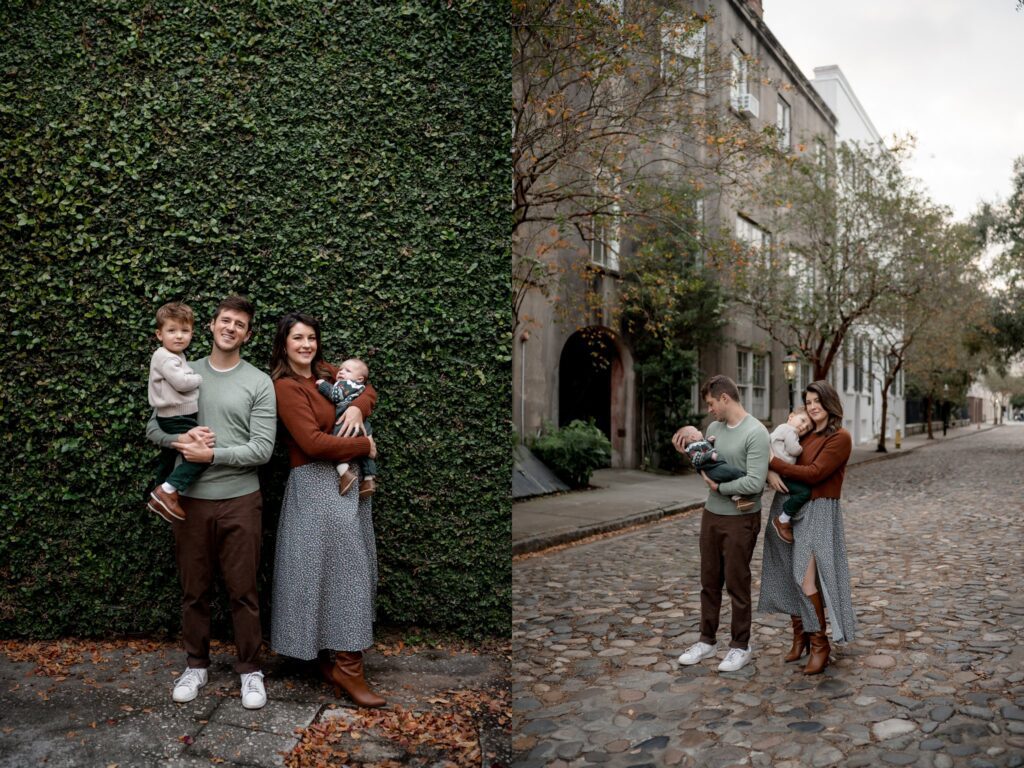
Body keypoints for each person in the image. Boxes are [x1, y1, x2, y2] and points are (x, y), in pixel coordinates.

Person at [145, 295, 277, 708]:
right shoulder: (184, 369)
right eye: (225, 320)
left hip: (241, 500)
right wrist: (179, 440)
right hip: (190, 502)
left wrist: (212, 455)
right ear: (212, 326)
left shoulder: (258, 382)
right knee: (194, 590)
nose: (230, 328)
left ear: (247, 334)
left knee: (243, 591)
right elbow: (154, 425)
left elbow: (263, 449)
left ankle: (250, 671)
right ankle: (196, 664)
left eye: (239, 324)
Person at [269, 312, 386, 708]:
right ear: (284, 343)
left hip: (347, 484)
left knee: (340, 568)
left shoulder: (327, 372)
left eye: (312, 337)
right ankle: (342, 665)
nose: (306, 344)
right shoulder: (285, 387)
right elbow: (313, 442)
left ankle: (338, 662)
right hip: (316, 484)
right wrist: (362, 446)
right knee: (334, 570)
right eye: (298, 338)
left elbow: (365, 389)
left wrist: (358, 410)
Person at [672, 375, 770, 673]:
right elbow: (706, 464)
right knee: (709, 580)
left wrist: (719, 488)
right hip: (711, 515)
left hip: (741, 518)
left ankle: (741, 646)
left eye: (712, 403)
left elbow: (755, 481)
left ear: (725, 398)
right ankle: (707, 639)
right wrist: (688, 452)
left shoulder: (756, 432)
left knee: (737, 582)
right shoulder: (713, 429)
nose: (710, 410)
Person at [758, 380, 856, 675]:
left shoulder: (839, 438)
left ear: (830, 403)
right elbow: (787, 458)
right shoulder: (804, 433)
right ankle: (799, 636)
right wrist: (769, 472)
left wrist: (771, 462)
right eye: (808, 401)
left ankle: (819, 643)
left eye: (817, 401)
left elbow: (814, 474)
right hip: (786, 505)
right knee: (787, 573)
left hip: (817, 509)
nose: (812, 406)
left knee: (804, 577)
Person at [147, 301, 207, 523]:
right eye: (172, 331)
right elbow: (182, 383)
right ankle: (168, 490)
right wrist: (198, 378)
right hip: (176, 416)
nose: (179, 336)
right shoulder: (165, 356)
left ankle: (159, 491)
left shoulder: (175, 355)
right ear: (159, 334)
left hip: (175, 415)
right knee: (201, 454)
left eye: (185, 331)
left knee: (169, 455)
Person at [316, 357, 378, 498]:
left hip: (345, 422)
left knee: (339, 445)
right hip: (363, 424)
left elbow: (336, 395)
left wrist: (323, 385)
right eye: (341, 369)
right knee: (366, 452)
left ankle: (345, 473)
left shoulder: (347, 385)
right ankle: (369, 480)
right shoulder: (360, 387)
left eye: (348, 370)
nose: (341, 372)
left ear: (360, 378)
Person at [674, 425, 756, 512]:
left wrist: (710, 441)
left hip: (716, 466)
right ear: (693, 437)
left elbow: (706, 446)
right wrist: (710, 455)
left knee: (727, 479)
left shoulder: (701, 443)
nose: (700, 431)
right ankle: (747, 480)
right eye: (697, 430)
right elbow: (697, 457)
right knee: (733, 472)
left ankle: (737, 498)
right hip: (712, 469)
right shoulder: (692, 448)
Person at [767, 408, 815, 543]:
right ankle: (783, 519)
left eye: (807, 427)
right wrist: (801, 449)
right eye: (803, 420)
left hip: (779, 470)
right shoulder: (790, 430)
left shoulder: (781, 429)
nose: (803, 426)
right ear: (791, 416)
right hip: (781, 472)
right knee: (804, 492)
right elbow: (794, 449)